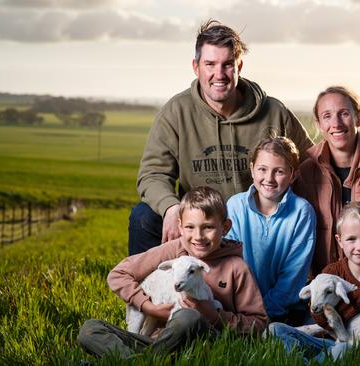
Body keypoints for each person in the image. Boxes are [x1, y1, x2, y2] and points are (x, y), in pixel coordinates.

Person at [129, 19, 313, 255]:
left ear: (239, 66)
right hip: (200, 223)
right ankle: (148, 290)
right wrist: (171, 208)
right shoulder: (175, 112)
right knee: (143, 217)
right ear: (196, 67)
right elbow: (153, 174)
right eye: (210, 64)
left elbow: (310, 163)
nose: (219, 74)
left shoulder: (274, 112)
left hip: (258, 220)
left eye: (227, 64)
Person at [78, 186, 267, 360]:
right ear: (179, 226)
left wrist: (214, 316)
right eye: (190, 227)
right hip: (157, 342)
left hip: (203, 343)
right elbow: (118, 274)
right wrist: (148, 307)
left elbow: (259, 324)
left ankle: (137, 361)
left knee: (188, 317)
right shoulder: (171, 250)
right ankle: (147, 360)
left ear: (225, 227)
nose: (198, 236)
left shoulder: (236, 267)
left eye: (208, 227)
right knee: (90, 330)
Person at [267, 201, 360, 362]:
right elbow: (317, 312)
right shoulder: (332, 273)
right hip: (331, 342)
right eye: (351, 239)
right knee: (275, 330)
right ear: (340, 240)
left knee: (351, 347)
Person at [293, 86, 360, 277]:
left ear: (358, 117)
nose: (336, 123)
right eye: (327, 116)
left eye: (344, 113)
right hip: (321, 283)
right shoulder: (304, 172)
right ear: (318, 124)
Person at [225, 136, 316, 324]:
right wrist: (244, 310)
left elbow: (294, 274)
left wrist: (265, 312)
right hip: (238, 305)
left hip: (284, 310)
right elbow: (228, 262)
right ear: (252, 170)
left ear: (293, 175)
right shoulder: (235, 205)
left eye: (279, 171)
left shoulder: (302, 211)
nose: (269, 178)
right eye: (262, 169)